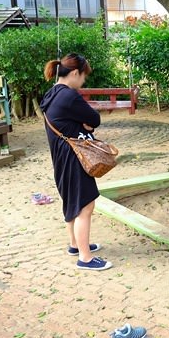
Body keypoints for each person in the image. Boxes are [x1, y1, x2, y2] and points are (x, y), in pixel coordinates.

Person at [40, 53, 112, 271]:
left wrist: (81, 124)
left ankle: (75, 244)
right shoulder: (69, 96)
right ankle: (86, 258)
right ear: (73, 73)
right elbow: (95, 119)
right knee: (85, 206)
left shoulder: (52, 94)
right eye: (82, 77)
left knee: (72, 202)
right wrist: (85, 124)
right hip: (74, 159)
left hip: (60, 158)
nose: (83, 82)